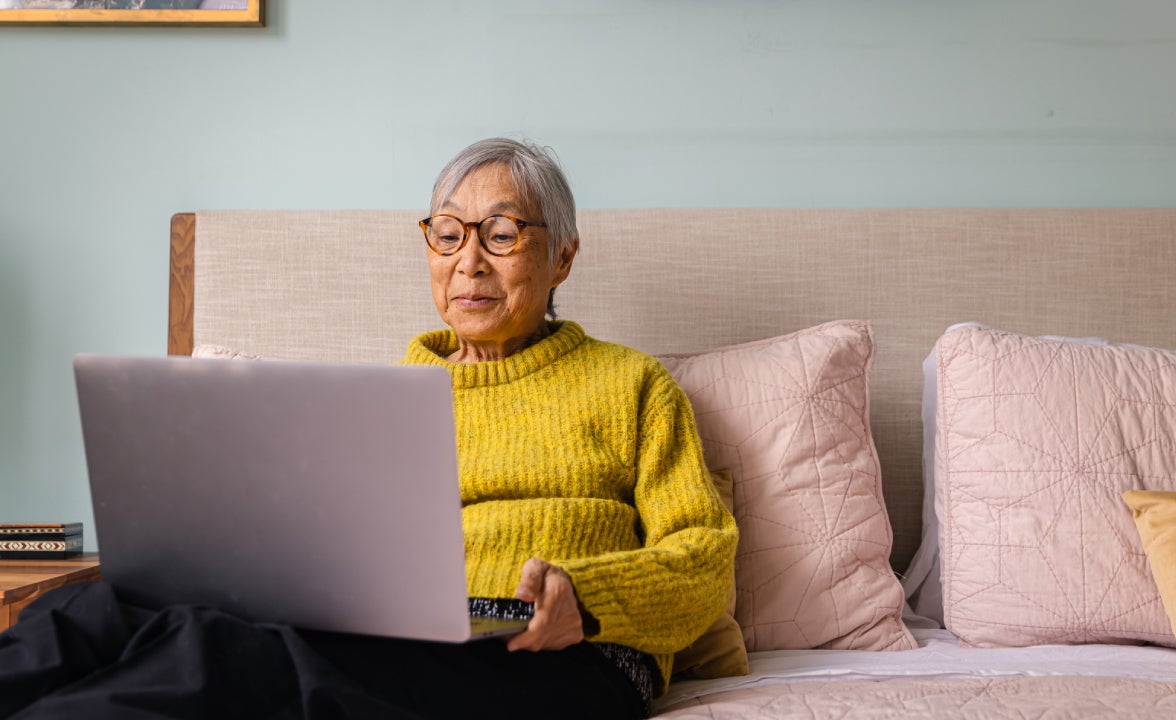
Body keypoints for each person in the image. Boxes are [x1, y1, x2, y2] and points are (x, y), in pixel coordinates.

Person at [0, 138, 737, 720]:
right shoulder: (385, 393)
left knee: (212, 652)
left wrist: (586, 595)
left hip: (557, 657)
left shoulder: (632, 385)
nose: (468, 262)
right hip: (389, 632)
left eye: (502, 233)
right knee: (86, 607)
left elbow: (705, 560)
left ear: (563, 257)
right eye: (447, 235)